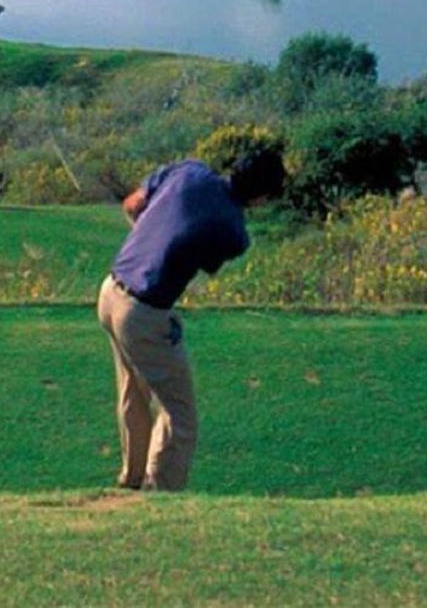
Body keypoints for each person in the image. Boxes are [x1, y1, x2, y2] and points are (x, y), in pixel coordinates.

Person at [96, 148, 285, 492]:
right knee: (179, 414)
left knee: (132, 392)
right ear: (261, 197)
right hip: (142, 312)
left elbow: (133, 204)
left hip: (109, 291)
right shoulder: (234, 232)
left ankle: (132, 479)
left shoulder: (189, 170)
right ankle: (160, 494)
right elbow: (201, 258)